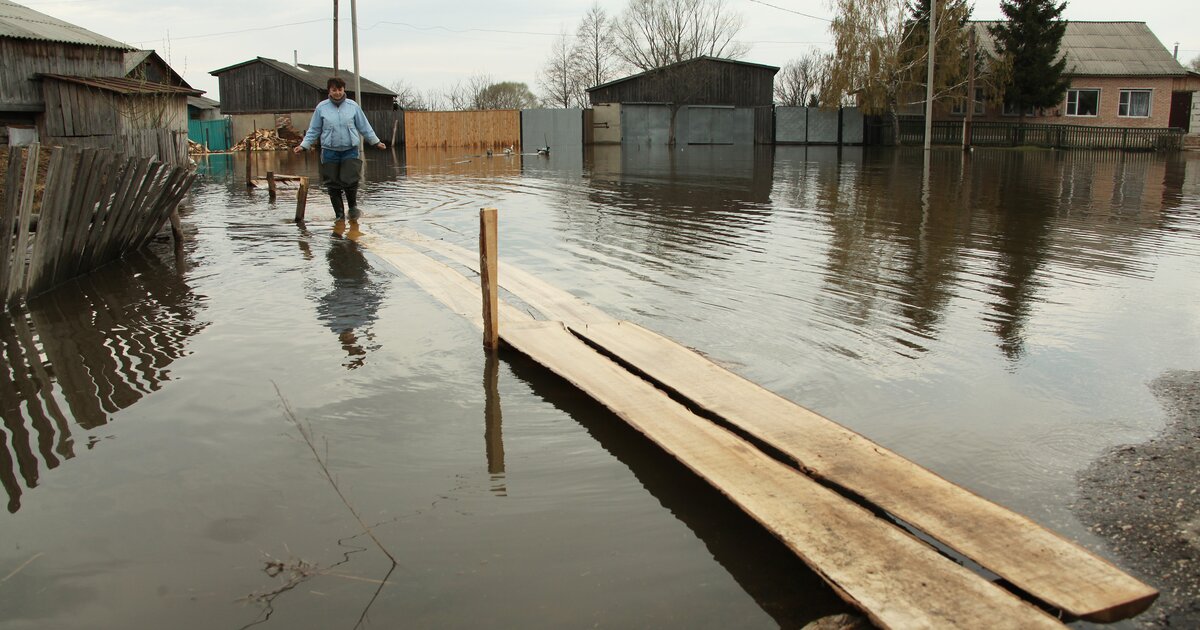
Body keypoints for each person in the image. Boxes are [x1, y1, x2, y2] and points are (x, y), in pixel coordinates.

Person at [293, 77, 386, 220]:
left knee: (350, 180)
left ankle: (353, 208)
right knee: (333, 184)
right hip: (330, 151)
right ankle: (339, 215)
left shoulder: (353, 106)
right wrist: (304, 145)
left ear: (344, 90)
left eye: (340, 90)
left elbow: (364, 126)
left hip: (350, 150)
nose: (337, 93)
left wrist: (375, 142)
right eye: (334, 90)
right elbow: (314, 129)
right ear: (329, 91)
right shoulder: (321, 108)